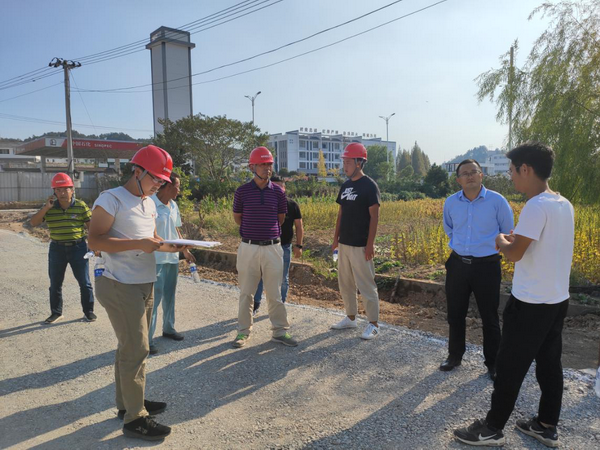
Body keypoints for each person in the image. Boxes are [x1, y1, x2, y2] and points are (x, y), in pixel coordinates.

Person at [454, 142, 575, 448]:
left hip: (530, 302)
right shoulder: (563, 203)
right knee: (549, 363)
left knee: (509, 366)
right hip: (557, 298)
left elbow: (514, 254)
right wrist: (514, 239)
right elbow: (536, 244)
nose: (510, 176)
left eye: (511, 170)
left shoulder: (535, 206)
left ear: (526, 169)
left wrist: (500, 240)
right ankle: (546, 424)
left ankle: (492, 429)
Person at [88, 145, 188, 441]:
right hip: (119, 283)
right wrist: (137, 244)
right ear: (138, 171)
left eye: (163, 180)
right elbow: (95, 240)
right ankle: (135, 419)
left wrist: (175, 247)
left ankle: (128, 404)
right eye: (155, 178)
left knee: (128, 347)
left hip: (145, 282)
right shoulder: (111, 199)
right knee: (137, 348)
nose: (159, 184)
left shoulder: (148, 204)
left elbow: (153, 241)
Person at [441, 159, 514, 379]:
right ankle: (454, 356)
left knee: (489, 317)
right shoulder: (451, 203)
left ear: (481, 175)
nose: (470, 176)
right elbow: (449, 229)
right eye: (465, 173)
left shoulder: (497, 201)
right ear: (458, 180)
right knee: (455, 314)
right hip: (458, 265)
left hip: (487, 267)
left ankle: (494, 363)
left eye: (474, 172)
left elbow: (507, 231)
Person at [232, 146, 298, 348]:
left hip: (272, 248)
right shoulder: (242, 192)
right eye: (262, 164)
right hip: (249, 247)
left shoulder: (278, 192)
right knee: (247, 293)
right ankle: (243, 332)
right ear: (252, 167)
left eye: (269, 164)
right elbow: (238, 218)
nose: (267, 168)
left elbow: (280, 218)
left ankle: (280, 331)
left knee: (275, 293)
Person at [330, 143, 382, 340]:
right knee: (345, 283)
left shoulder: (369, 186)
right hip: (344, 243)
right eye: (344, 162)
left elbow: (374, 217)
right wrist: (335, 239)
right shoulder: (345, 186)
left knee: (366, 284)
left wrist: (370, 244)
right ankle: (351, 318)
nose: (345, 166)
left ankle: (374, 324)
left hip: (361, 245)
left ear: (359, 162)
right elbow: (341, 213)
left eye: (348, 162)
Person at [30, 172, 95, 324]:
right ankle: (56, 313)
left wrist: (94, 246)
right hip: (57, 249)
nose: (62, 193)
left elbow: (91, 227)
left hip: (78, 248)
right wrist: (46, 208)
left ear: (72, 190)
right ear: (54, 192)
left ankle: (88, 312)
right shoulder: (49, 208)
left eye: (66, 189)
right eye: (58, 190)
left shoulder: (80, 206)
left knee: (84, 282)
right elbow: (33, 223)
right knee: (55, 283)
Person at [148, 172, 196, 355]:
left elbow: (176, 229)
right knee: (154, 299)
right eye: (178, 186)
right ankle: (147, 339)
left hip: (172, 258)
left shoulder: (173, 205)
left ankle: (168, 328)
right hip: (156, 259)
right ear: (168, 186)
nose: (179, 190)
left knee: (169, 295)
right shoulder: (150, 203)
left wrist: (185, 251)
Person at [253, 174, 303, 315]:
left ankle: (280, 305)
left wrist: (299, 245)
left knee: (283, 278)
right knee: (260, 276)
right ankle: (255, 305)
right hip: (265, 246)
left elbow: (299, 226)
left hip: (284, 247)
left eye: (280, 187)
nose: (278, 190)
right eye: (274, 187)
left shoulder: (292, 205)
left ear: (284, 188)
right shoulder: (264, 203)